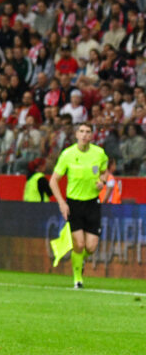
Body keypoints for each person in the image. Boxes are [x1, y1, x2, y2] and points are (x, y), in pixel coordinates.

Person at [49, 123, 109, 289]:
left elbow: (105, 171)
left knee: (90, 247)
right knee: (79, 244)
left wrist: (102, 181)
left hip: (92, 203)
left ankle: (80, 261)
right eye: (81, 131)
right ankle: (77, 279)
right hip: (74, 204)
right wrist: (61, 202)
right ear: (76, 134)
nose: (84, 135)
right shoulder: (67, 154)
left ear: (92, 135)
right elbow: (54, 180)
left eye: (88, 132)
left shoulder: (99, 153)